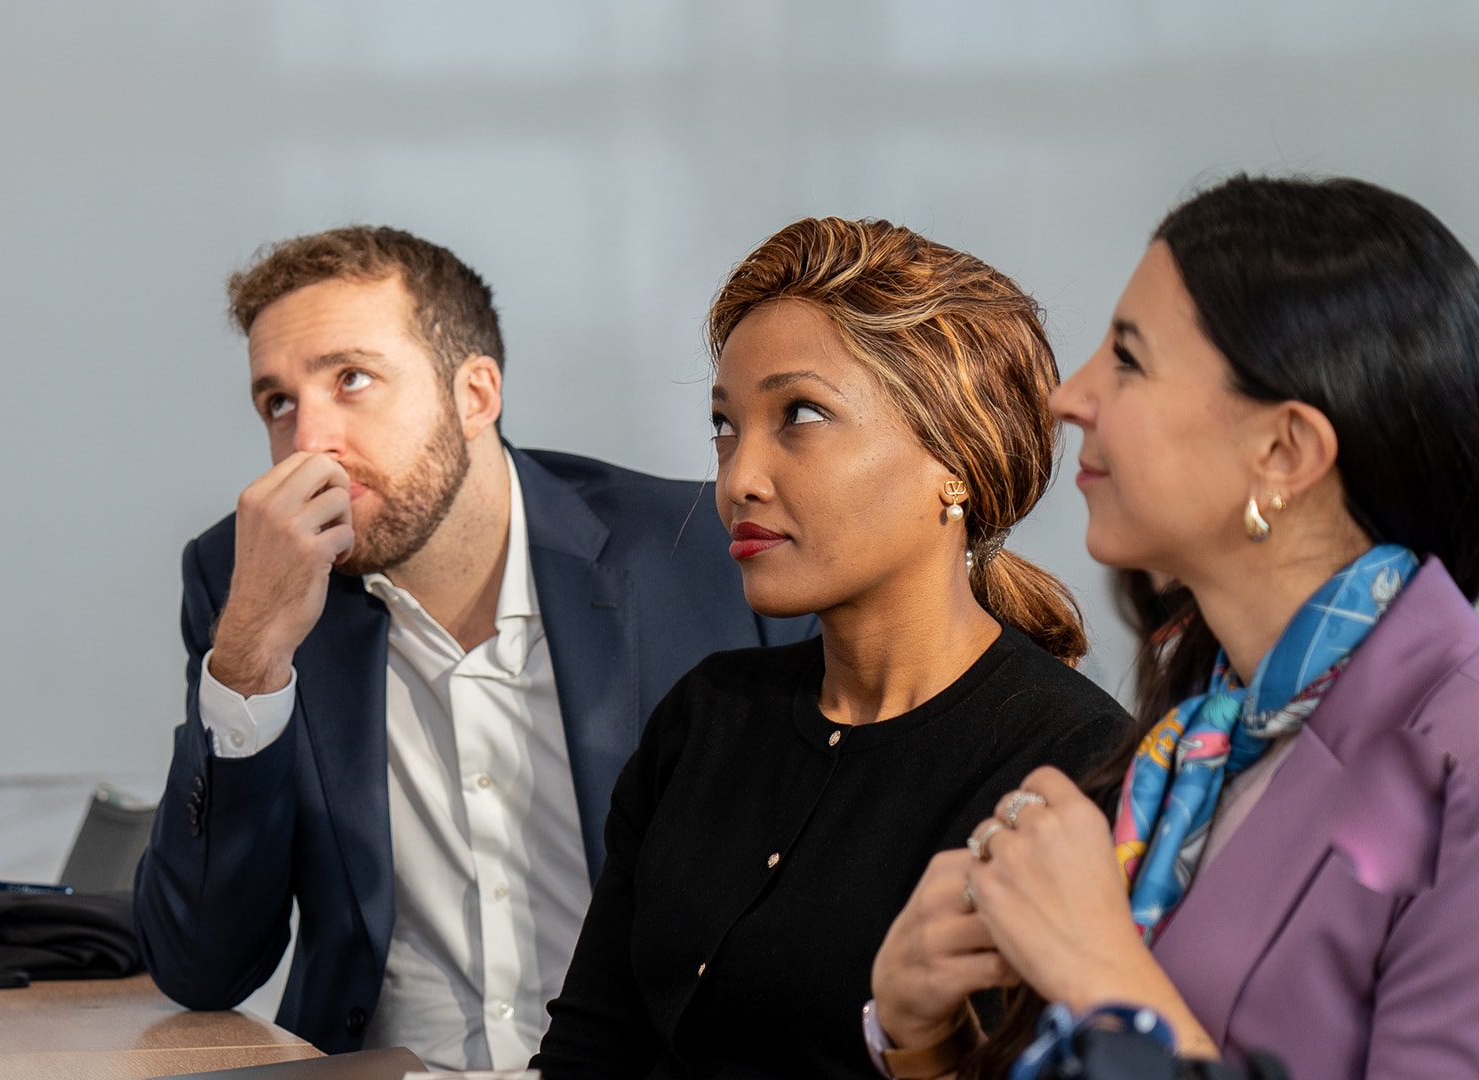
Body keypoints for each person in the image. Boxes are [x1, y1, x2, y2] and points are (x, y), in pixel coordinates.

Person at [131, 226, 815, 1067]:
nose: (308, 441)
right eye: (277, 402)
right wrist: (249, 660)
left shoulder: (702, 555)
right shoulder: (244, 577)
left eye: (352, 380)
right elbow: (204, 965)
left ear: (476, 395)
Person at [868, 175, 1479, 1080]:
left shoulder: (1461, 752)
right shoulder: (1191, 744)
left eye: (1129, 359)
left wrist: (1102, 977)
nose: (1068, 398)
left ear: (1283, 453)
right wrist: (926, 1043)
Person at [531, 218, 1131, 1080]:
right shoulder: (707, 716)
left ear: (956, 458)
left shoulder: (1071, 769)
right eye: (725, 425)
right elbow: (590, 1048)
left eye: (800, 415)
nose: (738, 478)